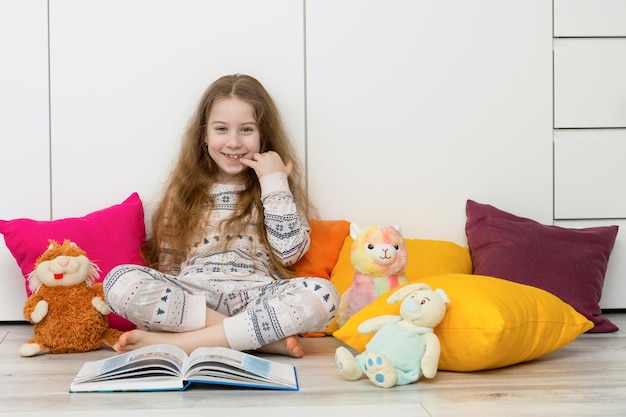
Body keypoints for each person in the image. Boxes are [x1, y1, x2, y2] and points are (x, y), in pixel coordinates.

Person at [103, 74, 339, 358]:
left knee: (324, 295)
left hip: (257, 296)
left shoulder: (274, 186)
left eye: (247, 130)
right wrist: (168, 307)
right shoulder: (184, 193)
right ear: (204, 134)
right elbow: (169, 267)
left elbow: (289, 253)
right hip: (196, 299)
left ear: (263, 134)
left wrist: (275, 183)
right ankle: (254, 340)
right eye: (222, 129)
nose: (234, 141)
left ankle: (181, 345)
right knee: (118, 281)